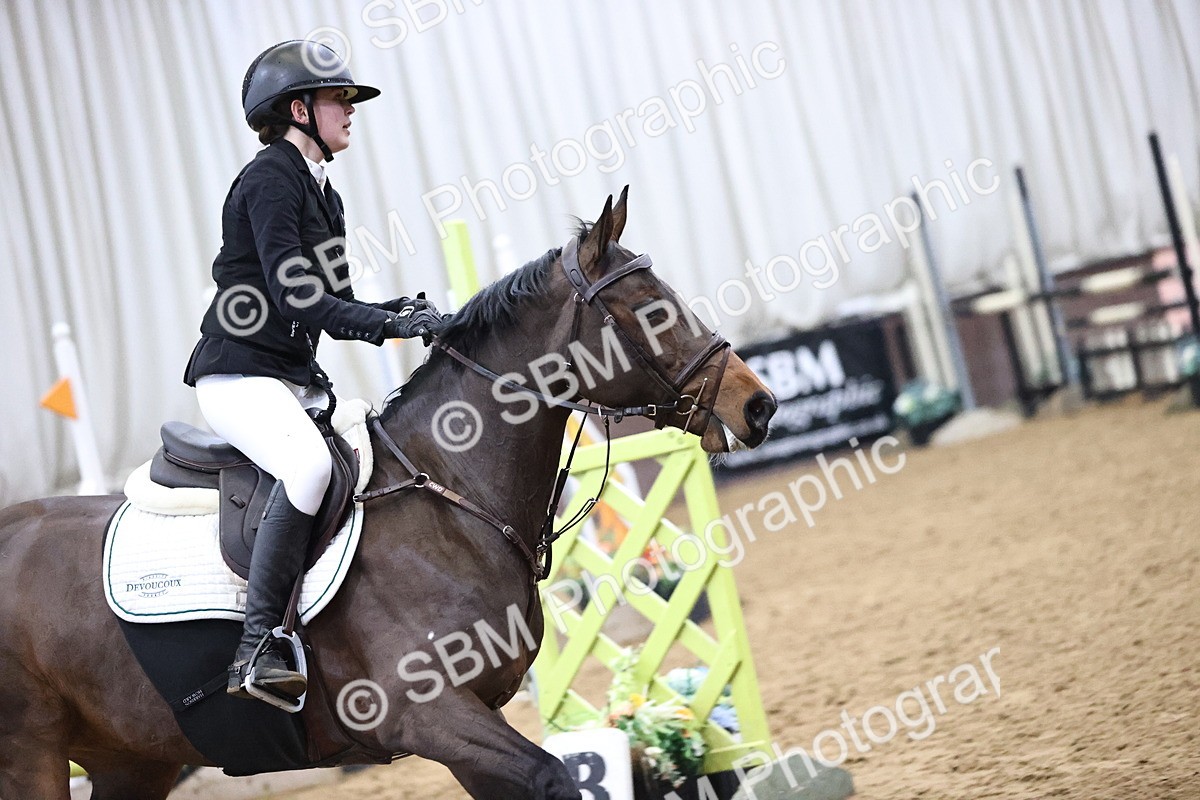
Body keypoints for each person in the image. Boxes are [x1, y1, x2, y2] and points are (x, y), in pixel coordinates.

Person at [183, 40, 443, 702]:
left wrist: (400, 313)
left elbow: (337, 304)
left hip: (289, 378)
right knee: (308, 468)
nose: (351, 110)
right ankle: (258, 646)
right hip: (239, 374)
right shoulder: (270, 178)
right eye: (339, 99)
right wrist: (388, 327)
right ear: (299, 110)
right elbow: (298, 296)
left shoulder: (325, 194)